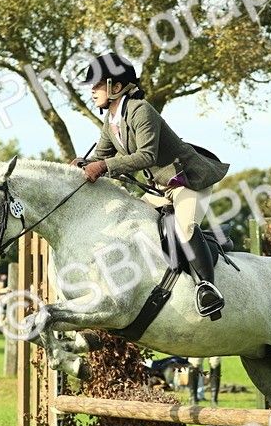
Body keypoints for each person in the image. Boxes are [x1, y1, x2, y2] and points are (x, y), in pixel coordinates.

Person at [74, 53, 231, 318]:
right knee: (128, 224)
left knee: (185, 227)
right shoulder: (112, 120)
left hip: (187, 183)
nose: (93, 89)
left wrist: (102, 167)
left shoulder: (141, 110)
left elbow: (146, 156)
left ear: (117, 86)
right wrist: (82, 164)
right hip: (159, 189)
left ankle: (207, 289)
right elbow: (99, 157)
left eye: (99, 84)